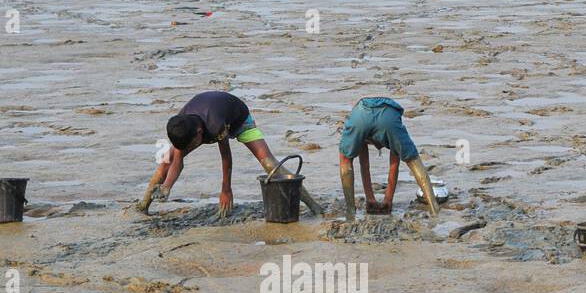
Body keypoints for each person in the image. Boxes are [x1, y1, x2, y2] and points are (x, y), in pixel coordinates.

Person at [138, 90, 322, 218]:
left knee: (269, 164)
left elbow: (226, 157)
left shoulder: (214, 125)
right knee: (165, 162)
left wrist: (226, 190)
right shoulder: (181, 124)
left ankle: (314, 207)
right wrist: (167, 187)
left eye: (190, 145)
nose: (188, 148)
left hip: (239, 118)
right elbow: (178, 160)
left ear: (199, 134)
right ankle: (143, 206)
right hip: (206, 115)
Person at [336, 97, 439, 221]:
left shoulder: (360, 124)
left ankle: (350, 211)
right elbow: (394, 166)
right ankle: (434, 210)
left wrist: (370, 198)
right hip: (389, 117)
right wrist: (388, 199)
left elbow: (364, 165)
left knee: (345, 159)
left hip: (360, 116)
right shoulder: (391, 122)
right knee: (412, 160)